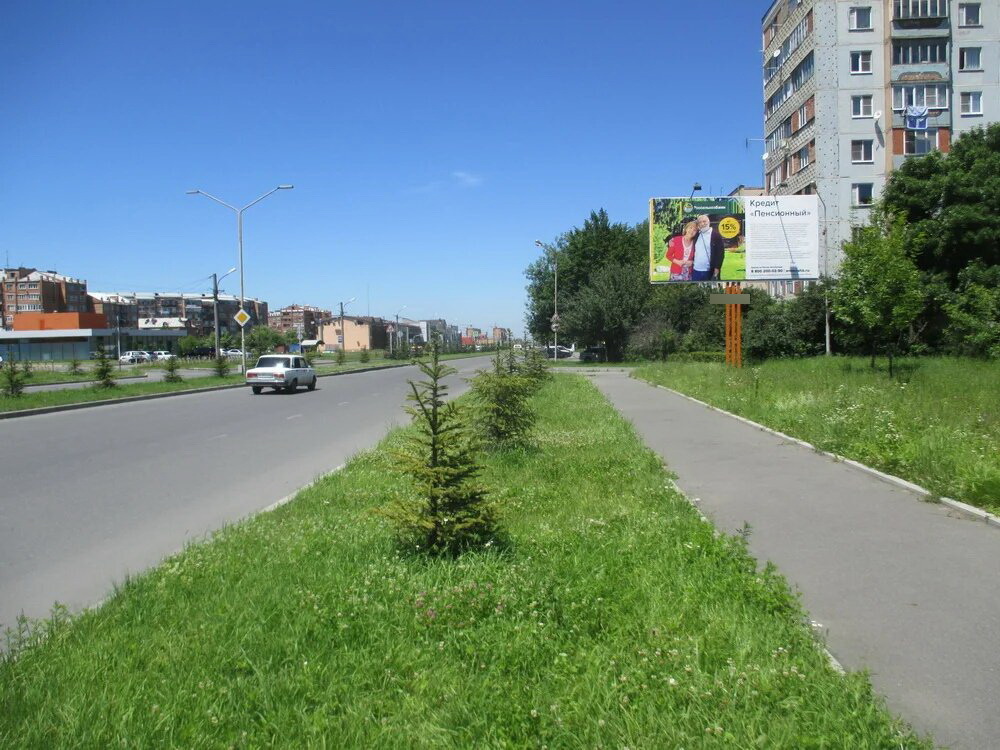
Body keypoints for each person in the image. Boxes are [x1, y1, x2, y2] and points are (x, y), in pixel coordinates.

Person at [692, 214, 725, 281]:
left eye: (704, 221)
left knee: (710, 290)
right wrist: (672, 241)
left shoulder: (716, 235)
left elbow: (720, 253)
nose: (702, 223)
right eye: (700, 222)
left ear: (709, 222)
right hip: (696, 270)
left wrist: (717, 268)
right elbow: (685, 236)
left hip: (709, 271)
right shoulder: (696, 234)